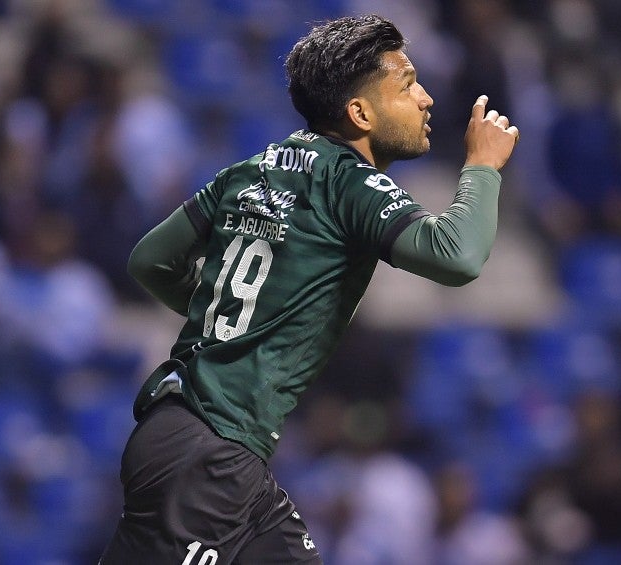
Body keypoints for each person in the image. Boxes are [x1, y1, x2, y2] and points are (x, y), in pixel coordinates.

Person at [99, 14, 519, 565]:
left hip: (210, 448)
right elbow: (456, 255)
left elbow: (150, 259)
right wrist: (483, 166)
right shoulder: (351, 182)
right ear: (360, 112)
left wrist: (231, 318)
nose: (426, 98)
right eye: (407, 83)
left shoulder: (251, 170)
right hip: (209, 454)